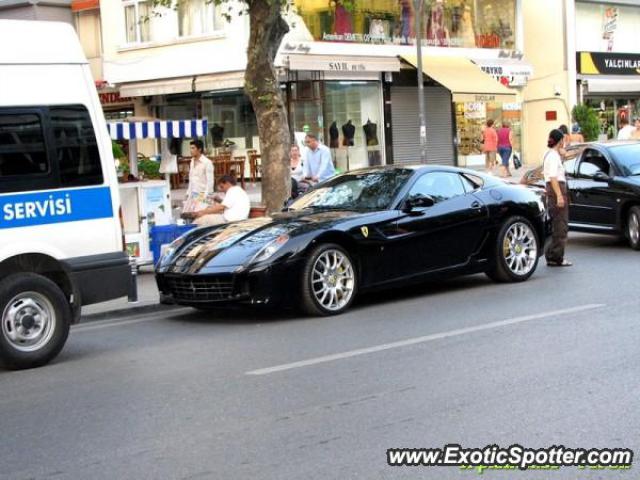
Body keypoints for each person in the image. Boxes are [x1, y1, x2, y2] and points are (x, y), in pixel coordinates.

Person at [544, 129, 572, 267]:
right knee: (561, 225)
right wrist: (559, 196)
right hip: (557, 189)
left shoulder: (550, 154)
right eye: (563, 140)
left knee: (557, 224)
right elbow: (553, 177)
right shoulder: (553, 156)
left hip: (553, 189)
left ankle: (551, 255)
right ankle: (556, 257)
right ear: (560, 141)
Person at [184, 139, 214, 211]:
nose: (191, 150)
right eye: (190, 148)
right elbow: (191, 179)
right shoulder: (192, 161)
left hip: (203, 194)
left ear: (199, 149)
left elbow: (210, 182)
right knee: (188, 215)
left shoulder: (207, 162)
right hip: (193, 194)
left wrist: (205, 197)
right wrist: (188, 192)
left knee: (200, 217)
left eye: (193, 148)